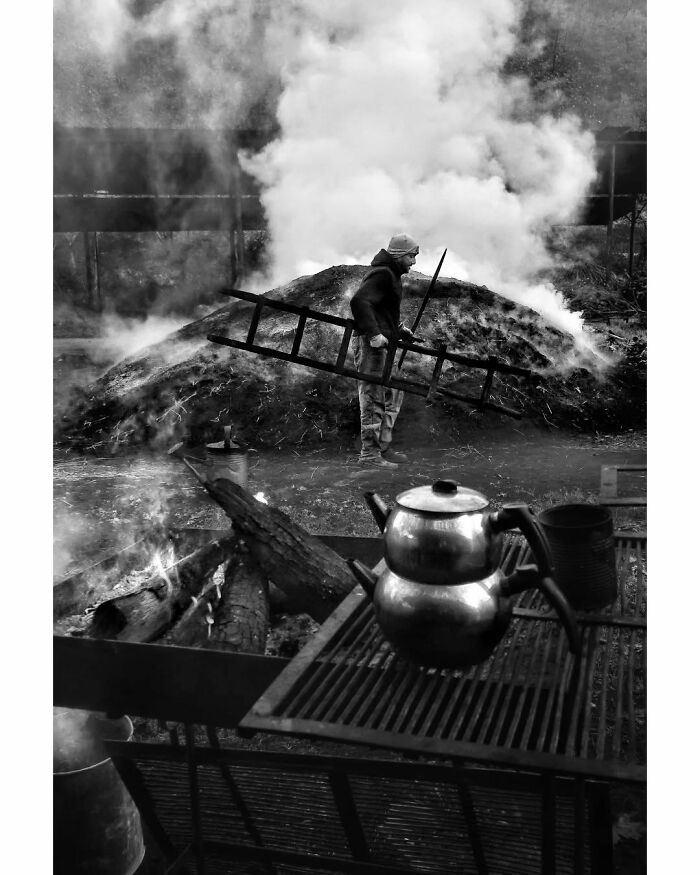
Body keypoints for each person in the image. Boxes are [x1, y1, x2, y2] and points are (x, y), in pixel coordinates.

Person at [350, 233, 423, 468]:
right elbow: (359, 302)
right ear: (400, 255)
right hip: (373, 346)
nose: (414, 262)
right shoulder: (382, 273)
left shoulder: (391, 275)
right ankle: (370, 456)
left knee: (393, 395)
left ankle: (382, 448)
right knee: (373, 398)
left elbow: (382, 309)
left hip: (385, 345)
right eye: (412, 256)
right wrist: (374, 334)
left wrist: (399, 330)